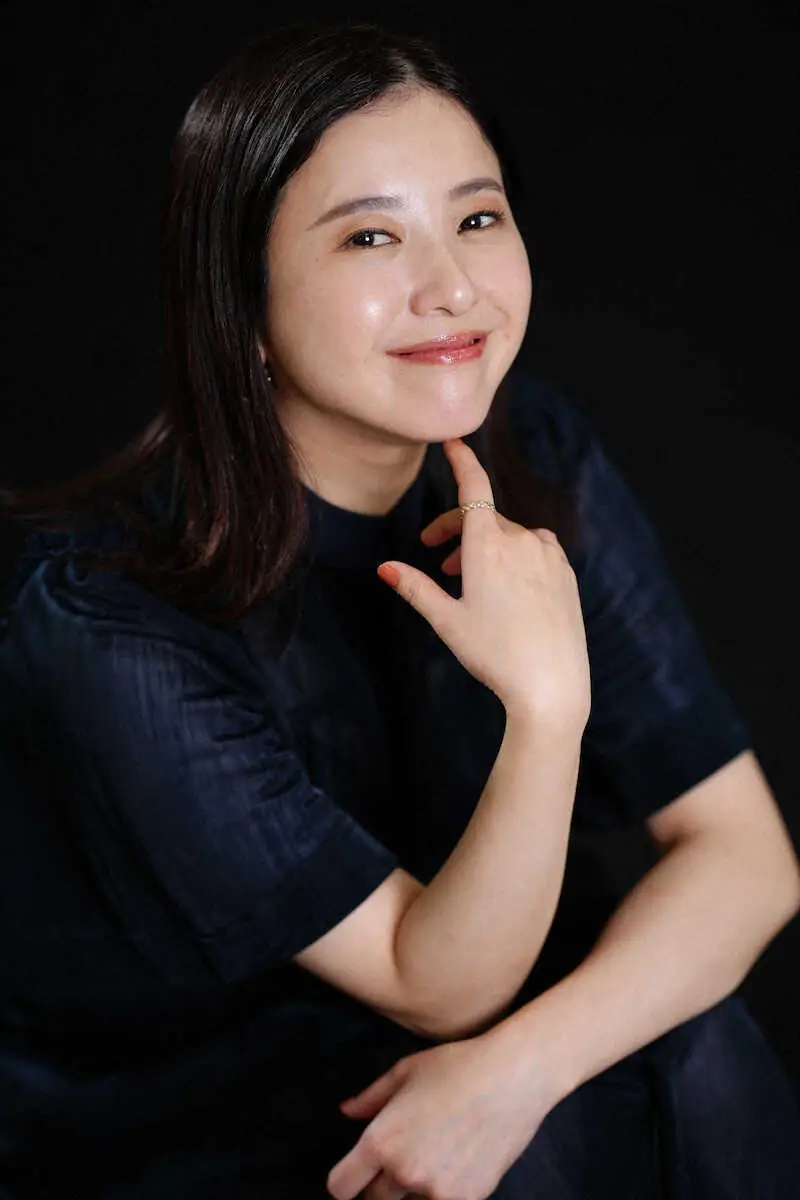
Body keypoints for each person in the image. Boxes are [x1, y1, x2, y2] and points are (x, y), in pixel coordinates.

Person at [1, 21, 799, 1200]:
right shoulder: (104, 612)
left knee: (697, 1058)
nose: (453, 288)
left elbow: (748, 861)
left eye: (476, 218)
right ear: (241, 301)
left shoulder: (535, 461)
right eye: (370, 236)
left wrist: (516, 1071)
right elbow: (439, 985)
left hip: (449, 1056)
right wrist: (543, 714)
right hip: (182, 1127)